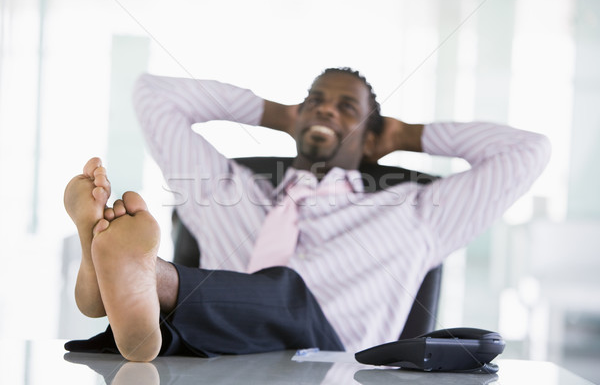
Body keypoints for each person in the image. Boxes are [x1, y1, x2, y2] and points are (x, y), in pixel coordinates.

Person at [64, 68, 551, 362]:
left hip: (329, 361)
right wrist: (281, 113)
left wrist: (406, 135)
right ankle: (133, 283)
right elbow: (153, 95)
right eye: (315, 101)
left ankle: (135, 282)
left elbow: (529, 151)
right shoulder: (229, 189)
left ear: (373, 134)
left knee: (290, 293)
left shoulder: (417, 213)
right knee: (193, 324)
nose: (325, 110)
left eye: (345, 107)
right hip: (210, 357)